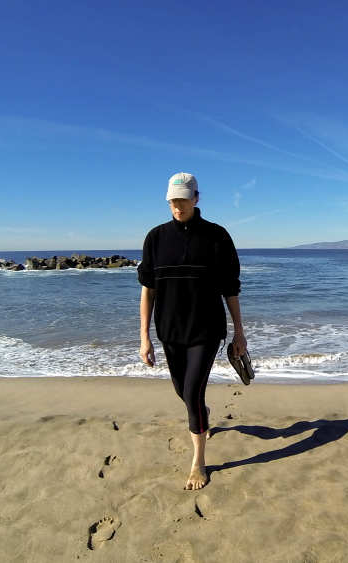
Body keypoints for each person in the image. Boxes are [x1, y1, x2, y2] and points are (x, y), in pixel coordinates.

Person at [137, 172, 247, 490]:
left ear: (197, 198)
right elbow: (148, 291)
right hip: (169, 331)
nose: (178, 205)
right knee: (184, 393)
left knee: (192, 393)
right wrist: (144, 336)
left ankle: (198, 462)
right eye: (173, 200)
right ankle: (203, 412)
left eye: (183, 198)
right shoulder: (155, 239)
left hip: (207, 330)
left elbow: (231, 289)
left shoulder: (218, 237)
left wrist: (239, 332)